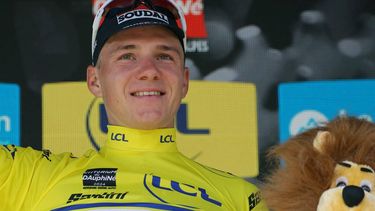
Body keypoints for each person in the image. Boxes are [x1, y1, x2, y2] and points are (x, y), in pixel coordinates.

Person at [0, 0, 268, 210]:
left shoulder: (242, 198)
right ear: (95, 80)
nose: (149, 70)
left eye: (164, 56)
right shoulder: (30, 177)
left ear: (184, 81)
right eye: (127, 55)